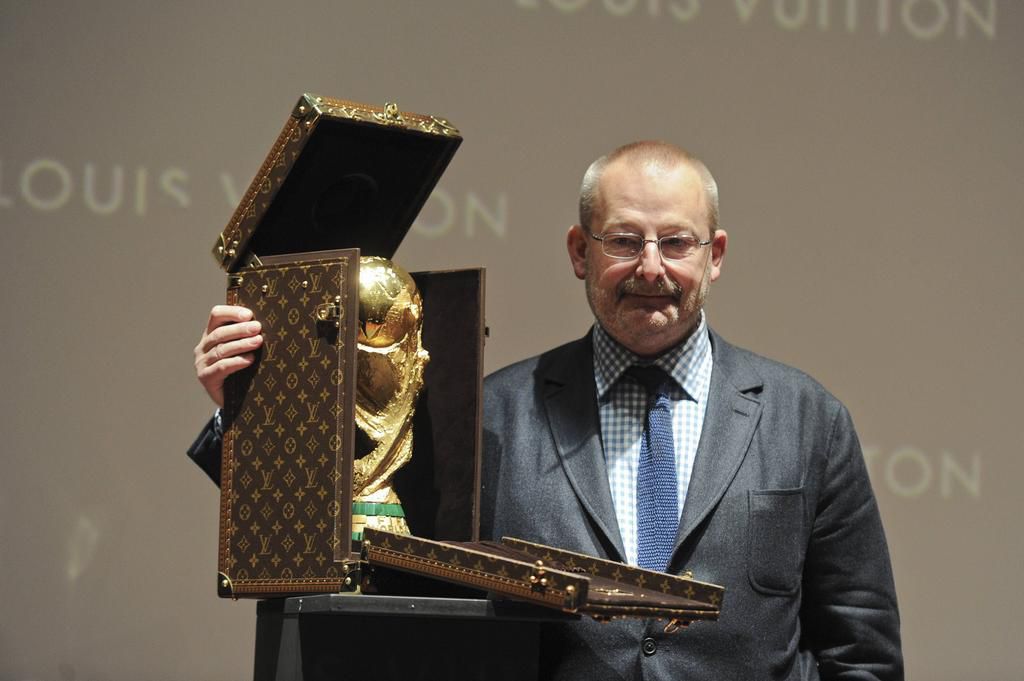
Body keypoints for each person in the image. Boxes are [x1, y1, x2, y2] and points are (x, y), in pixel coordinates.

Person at [191, 141, 902, 681]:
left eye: (676, 242)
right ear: (578, 252)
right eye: (624, 240)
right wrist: (256, 413)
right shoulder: (491, 414)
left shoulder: (808, 417)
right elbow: (360, 546)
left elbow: (860, 653)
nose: (651, 267)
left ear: (714, 255)